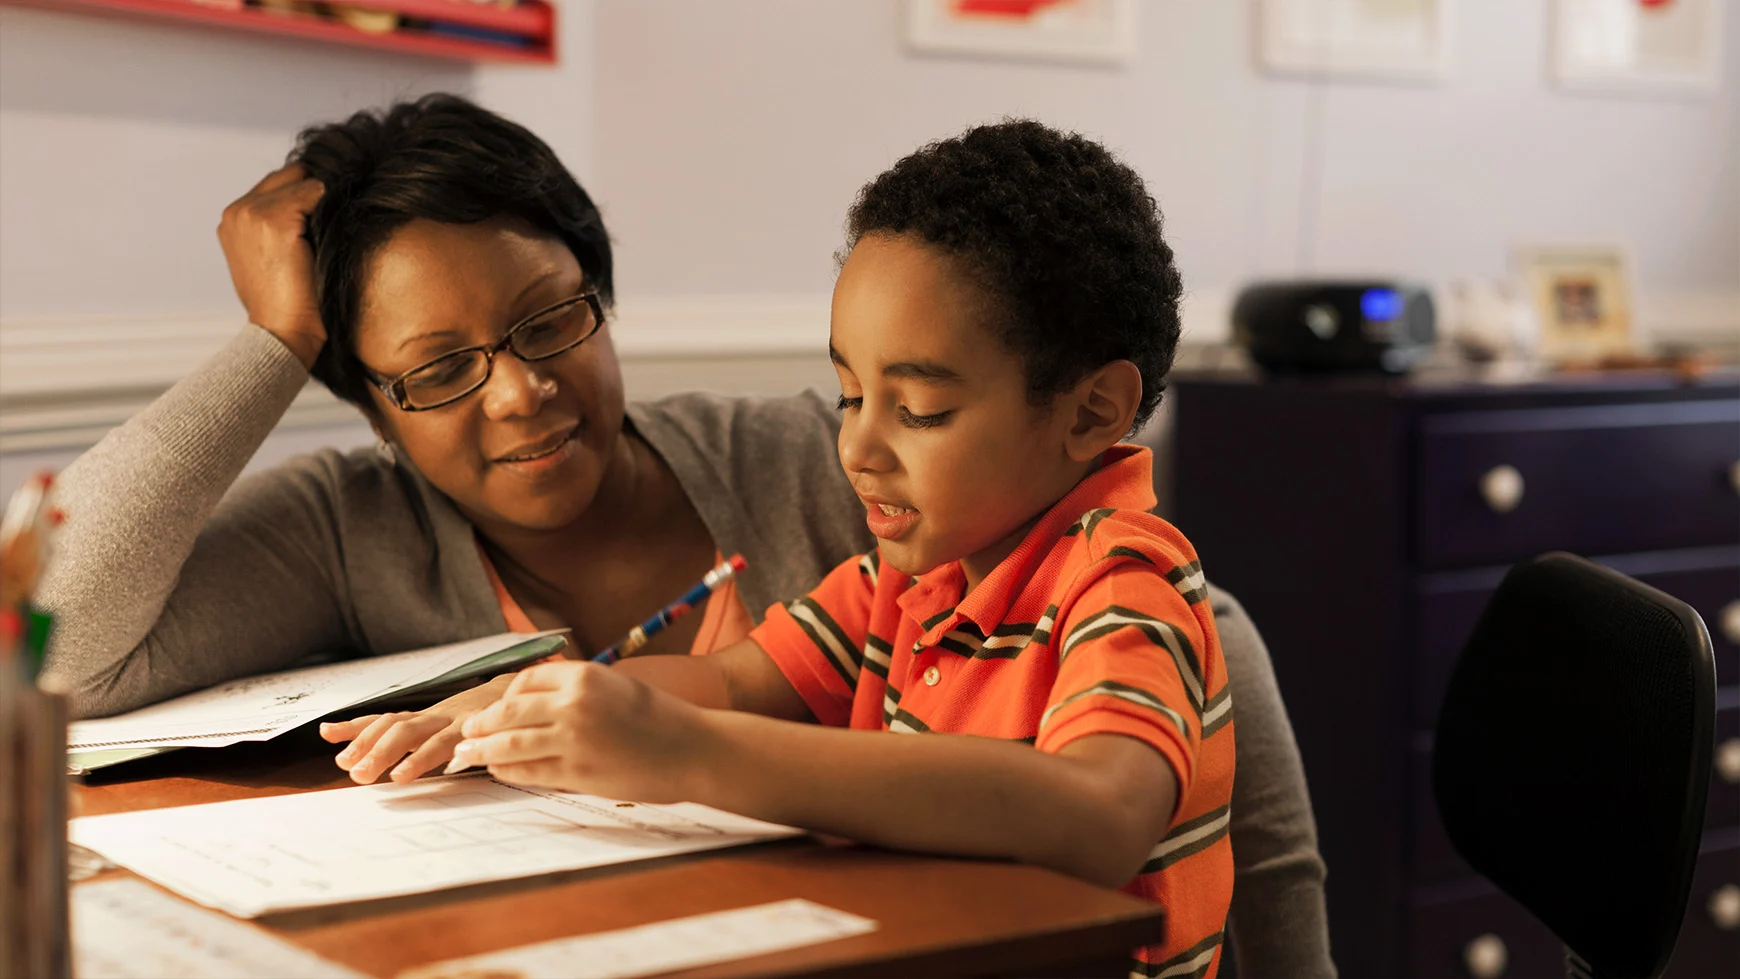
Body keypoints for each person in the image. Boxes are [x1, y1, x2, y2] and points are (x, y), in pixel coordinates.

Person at [37, 95, 1333, 978]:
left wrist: (677, 743)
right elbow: (48, 642)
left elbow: (1183, 683)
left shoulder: (882, 511)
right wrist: (539, 709)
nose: (520, 391)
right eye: (434, 372)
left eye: (553, 323)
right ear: (372, 408)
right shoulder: (351, 528)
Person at [451, 119, 1221, 977]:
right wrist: (524, 708)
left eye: (919, 409)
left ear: (1089, 413)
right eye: (850, 394)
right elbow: (727, 683)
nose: (858, 447)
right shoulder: (900, 584)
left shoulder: (1122, 584)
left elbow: (1101, 817)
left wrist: (695, 753)